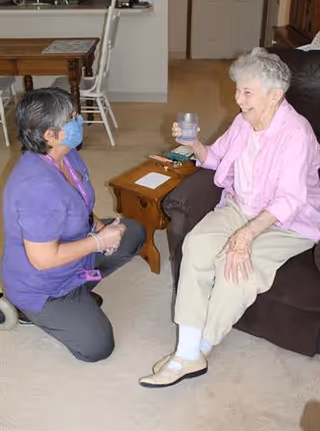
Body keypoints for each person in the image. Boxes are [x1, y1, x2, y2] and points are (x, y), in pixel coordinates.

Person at [139, 48, 320, 388]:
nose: (238, 99)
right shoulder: (243, 122)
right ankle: (188, 352)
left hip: (286, 223)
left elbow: (291, 200)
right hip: (240, 205)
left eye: (246, 92)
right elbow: (217, 158)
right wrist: (193, 146)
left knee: (236, 272)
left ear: (275, 95)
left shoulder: (297, 134)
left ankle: (196, 349)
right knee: (195, 247)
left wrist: (246, 236)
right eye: (238, 89)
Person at [2, 88, 145, 362]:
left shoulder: (66, 155)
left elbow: (81, 205)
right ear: (49, 135)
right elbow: (43, 259)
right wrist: (100, 242)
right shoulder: (36, 187)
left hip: (76, 261)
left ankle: (80, 293)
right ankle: (30, 312)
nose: (78, 120)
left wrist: (102, 228)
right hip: (44, 286)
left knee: (134, 232)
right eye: (71, 117)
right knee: (98, 346)